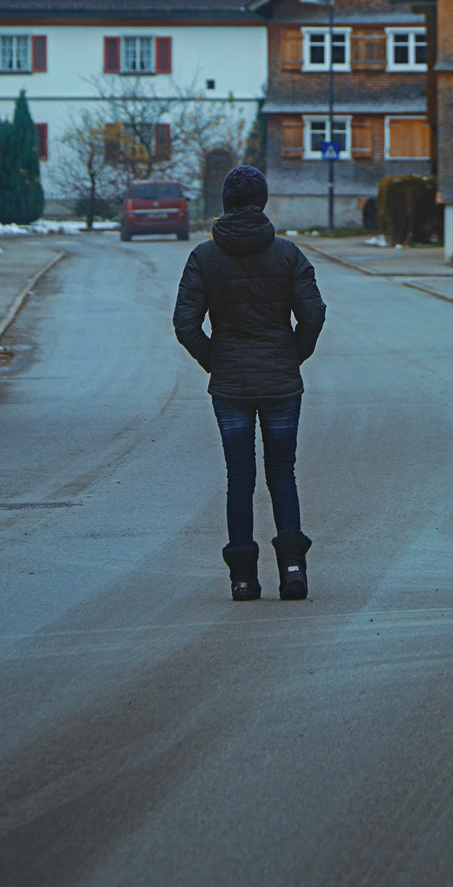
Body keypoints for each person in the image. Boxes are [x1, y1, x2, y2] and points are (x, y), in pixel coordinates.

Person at [173, 163, 326, 601]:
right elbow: (313, 313)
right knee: (282, 473)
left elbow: (185, 323)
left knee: (239, 477)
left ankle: (243, 579)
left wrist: (216, 363)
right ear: (262, 202)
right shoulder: (288, 254)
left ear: (225, 204)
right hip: (281, 383)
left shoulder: (204, 257)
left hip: (231, 387)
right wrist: (293, 355)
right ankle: (293, 569)